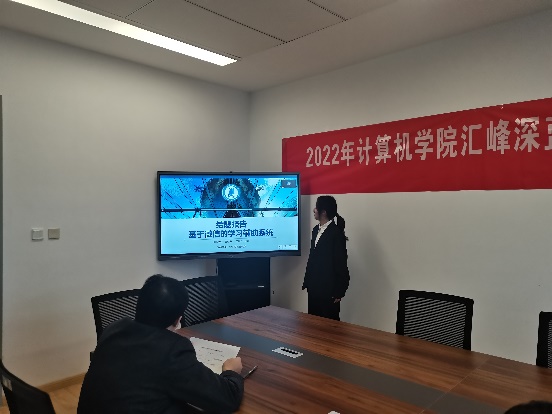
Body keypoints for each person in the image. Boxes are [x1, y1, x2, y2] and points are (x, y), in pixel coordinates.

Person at [78, 274, 244, 414]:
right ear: (178, 319)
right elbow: (227, 399)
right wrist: (231, 372)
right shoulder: (173, 350)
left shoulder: (113, 329)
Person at [302, 195, 350, 321]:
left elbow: (341, 263)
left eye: (316, 208)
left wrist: (340, 291)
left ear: (323, 212)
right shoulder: (315, 230)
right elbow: (313, 258)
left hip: (329, 291)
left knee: (328, 327)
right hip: (314, 287)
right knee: (313, 324)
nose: (314, 210)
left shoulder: (336, 234)